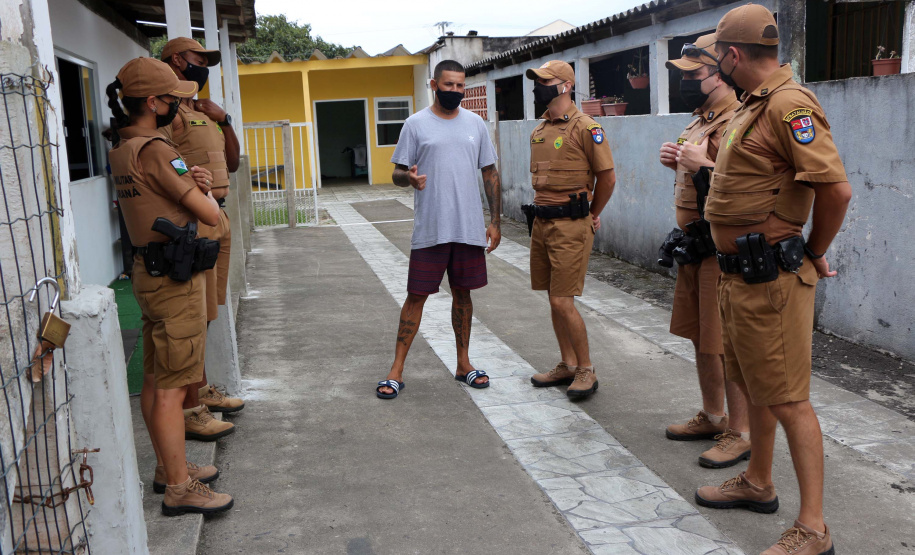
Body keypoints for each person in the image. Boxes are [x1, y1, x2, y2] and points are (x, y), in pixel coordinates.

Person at [694, 5, 852, 555]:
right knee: (756, 387)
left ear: (733, 55)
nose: (719, 67)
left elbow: (835, 190)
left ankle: (814, 530)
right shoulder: (751, 106)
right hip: (739, 278)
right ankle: (759, 482)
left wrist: (812, 251)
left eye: (719, 59)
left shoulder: (788, 105)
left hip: (772, 279)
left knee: (788, 400)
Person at [106, 57, 233, 515]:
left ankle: (168, 468)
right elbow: (209, 214)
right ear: (154, 102)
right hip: (174, 279)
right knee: (173, 387)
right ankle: (179, 488)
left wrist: (189, 181)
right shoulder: (158, 149)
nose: (179, 103)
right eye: (173, 98)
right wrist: (199, 189)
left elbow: (162, 194)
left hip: (148, 271)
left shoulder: (124, 147)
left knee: (158, 374)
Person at [376, 59, 501, 400]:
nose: (455, 91)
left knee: (464, 296)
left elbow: (489, 173)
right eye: (449, 85)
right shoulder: (416, 124)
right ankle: (396, 370)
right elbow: (397, 173)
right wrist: (410, 179)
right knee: (415, 297)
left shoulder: (475, 124)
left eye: (460, 86)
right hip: (431, 229)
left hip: (468, 230)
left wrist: (495, 221)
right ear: (434, 85)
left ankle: (464, 364)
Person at [658, 33, 751, 469]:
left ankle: (740, 431)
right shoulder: (701, 118)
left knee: (725, 343)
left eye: (695, 73)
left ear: (720, 72)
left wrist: (705, 165)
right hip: (694, 244)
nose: (689, 81)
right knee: (701, 336)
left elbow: (742, 185)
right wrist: (676, 159)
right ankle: (714, 415)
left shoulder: (739, 118)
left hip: (720, 247)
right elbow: (695, 179)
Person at [159, 38, 245, 442]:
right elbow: (166, 168)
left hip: (218, 213)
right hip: (195, 217)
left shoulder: (202, 110)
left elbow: (232, 162)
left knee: (208, 312)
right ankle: (191, 406)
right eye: (198, 61)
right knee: (192, 317)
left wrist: (224, 118)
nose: (204, 68)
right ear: (177, 60)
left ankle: (202, 390)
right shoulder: (167, 110)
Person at [524, 60, 616, 399]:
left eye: (545, 81)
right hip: (542, 223)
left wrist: (593, 213)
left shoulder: (586, 127)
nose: (539, 86)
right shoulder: (539, 130)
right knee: (553, 298)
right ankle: (567, 363)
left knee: (563, 300)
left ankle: (586, 369)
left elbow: (607, 178)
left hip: (571, 225)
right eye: (537, 81)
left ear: (565, 85)